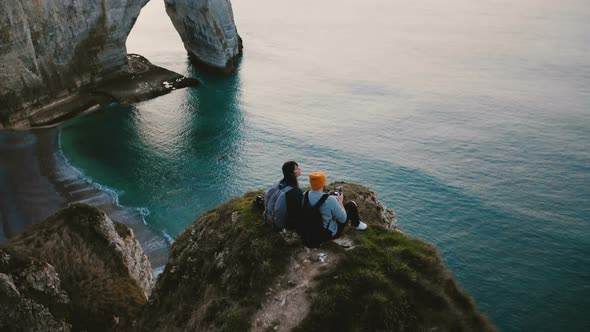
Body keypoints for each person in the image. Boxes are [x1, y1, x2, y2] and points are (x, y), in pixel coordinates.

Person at [306, 171, 367, 239]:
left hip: (309, 230)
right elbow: (343, 219)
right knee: (351, 205)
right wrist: (340, 202)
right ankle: (357, 224)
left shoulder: (304, 195)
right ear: (323, 184)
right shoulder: (330, 200)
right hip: (327, 233)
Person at [264, 161, 304, 230]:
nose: (300, 169)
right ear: (291, 173)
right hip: (281, 223)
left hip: (270, 216)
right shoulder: (295, 191)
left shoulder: (278, 183)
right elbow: (296, 212)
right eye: (297, 168)